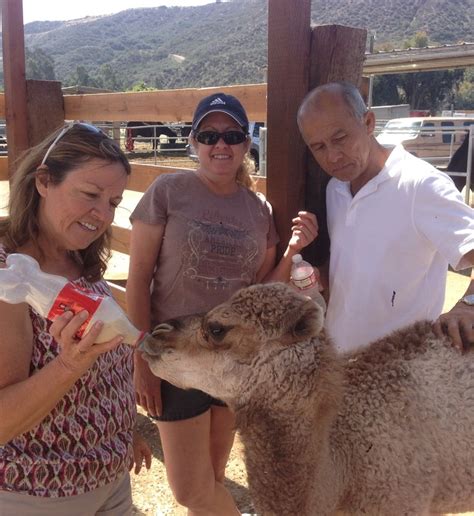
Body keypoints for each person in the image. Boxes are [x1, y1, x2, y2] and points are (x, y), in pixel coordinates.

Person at [127, 92, 318, 515]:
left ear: (246, 144)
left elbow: (259, 296)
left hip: (233, 362)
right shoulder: (169, 191)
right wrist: (141, 358)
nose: (221, 145)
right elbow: (138, 278)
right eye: (210, 135)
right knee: (191, 491)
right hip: (177, 356)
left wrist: (291, 251)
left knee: (211, 479)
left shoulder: (257, 210)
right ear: (194, 141)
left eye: (232, 135)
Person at [0, 123, 151, 515]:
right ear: (44, 181)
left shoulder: (76, 256)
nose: (103, 215)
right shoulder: (9, 277)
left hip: (109, 477)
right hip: (39, 493)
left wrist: (123, 430)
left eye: (114, 202)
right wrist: (69, 363)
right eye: (90, 194)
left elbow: (101, 372)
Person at [297, 81, 474, 354]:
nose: (332, 156)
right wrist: (317, 278)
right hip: (341, 363)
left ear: (368, 122)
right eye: (318, 147)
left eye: (340, 138)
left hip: (400, 374)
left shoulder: (420, 185)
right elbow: (356, 268)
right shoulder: (336, 189)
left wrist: (466, 306)